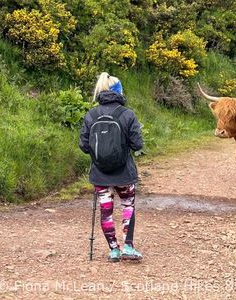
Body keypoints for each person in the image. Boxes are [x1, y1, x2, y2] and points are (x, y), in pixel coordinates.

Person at [79, 72, 143, 262]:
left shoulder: (91, 115)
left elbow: (83, 146)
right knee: (127, 207)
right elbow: (137, 145)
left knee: (105, 211)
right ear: (118, 91)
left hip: (100, 174)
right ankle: (128, 247)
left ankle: (113, 250)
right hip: (124, 173)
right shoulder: (128, 114)